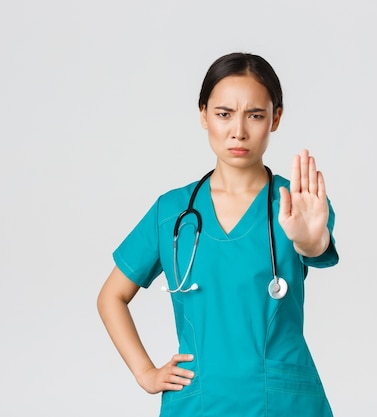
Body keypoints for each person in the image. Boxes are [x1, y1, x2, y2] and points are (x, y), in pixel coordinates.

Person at [97, 52, 339, 417]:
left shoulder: (298, 203)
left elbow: (315, 246)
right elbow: (111, 296)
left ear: (275, 118)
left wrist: (308, 238)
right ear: (203, 115)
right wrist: (145, 373)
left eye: (255, 115)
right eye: (224, 114)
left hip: (284, 404)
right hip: (200, 402)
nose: (238, 131)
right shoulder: (172, 212)